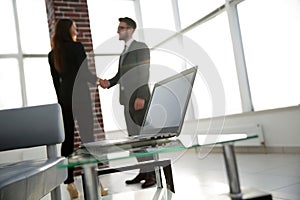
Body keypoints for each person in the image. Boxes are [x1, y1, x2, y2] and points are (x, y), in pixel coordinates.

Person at [48, 18, 107, 198]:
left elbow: (56, 83)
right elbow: (85, 74)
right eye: (74, 26)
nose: (77, 28)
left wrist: (61, 103)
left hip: (65, 99)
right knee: (88, 138)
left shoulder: (53, 54)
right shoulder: (77, 47)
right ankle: (96, 182)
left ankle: (70, 183)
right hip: (81, 96)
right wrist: (100, 81)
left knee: (67, 141)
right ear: (69, 29)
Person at [99, 17, 156, 188]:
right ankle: (143, 170)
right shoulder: (124, 52)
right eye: (118, 28)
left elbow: (144, 70)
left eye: (121, 28)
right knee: (134, 138)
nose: (118, 31)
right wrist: (108, 83)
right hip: (127, 101)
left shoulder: (141, 47)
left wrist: (141, 96)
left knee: (143, 138)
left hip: (139, 99)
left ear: (130, 30)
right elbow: (120, 76)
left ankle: (152, 174)